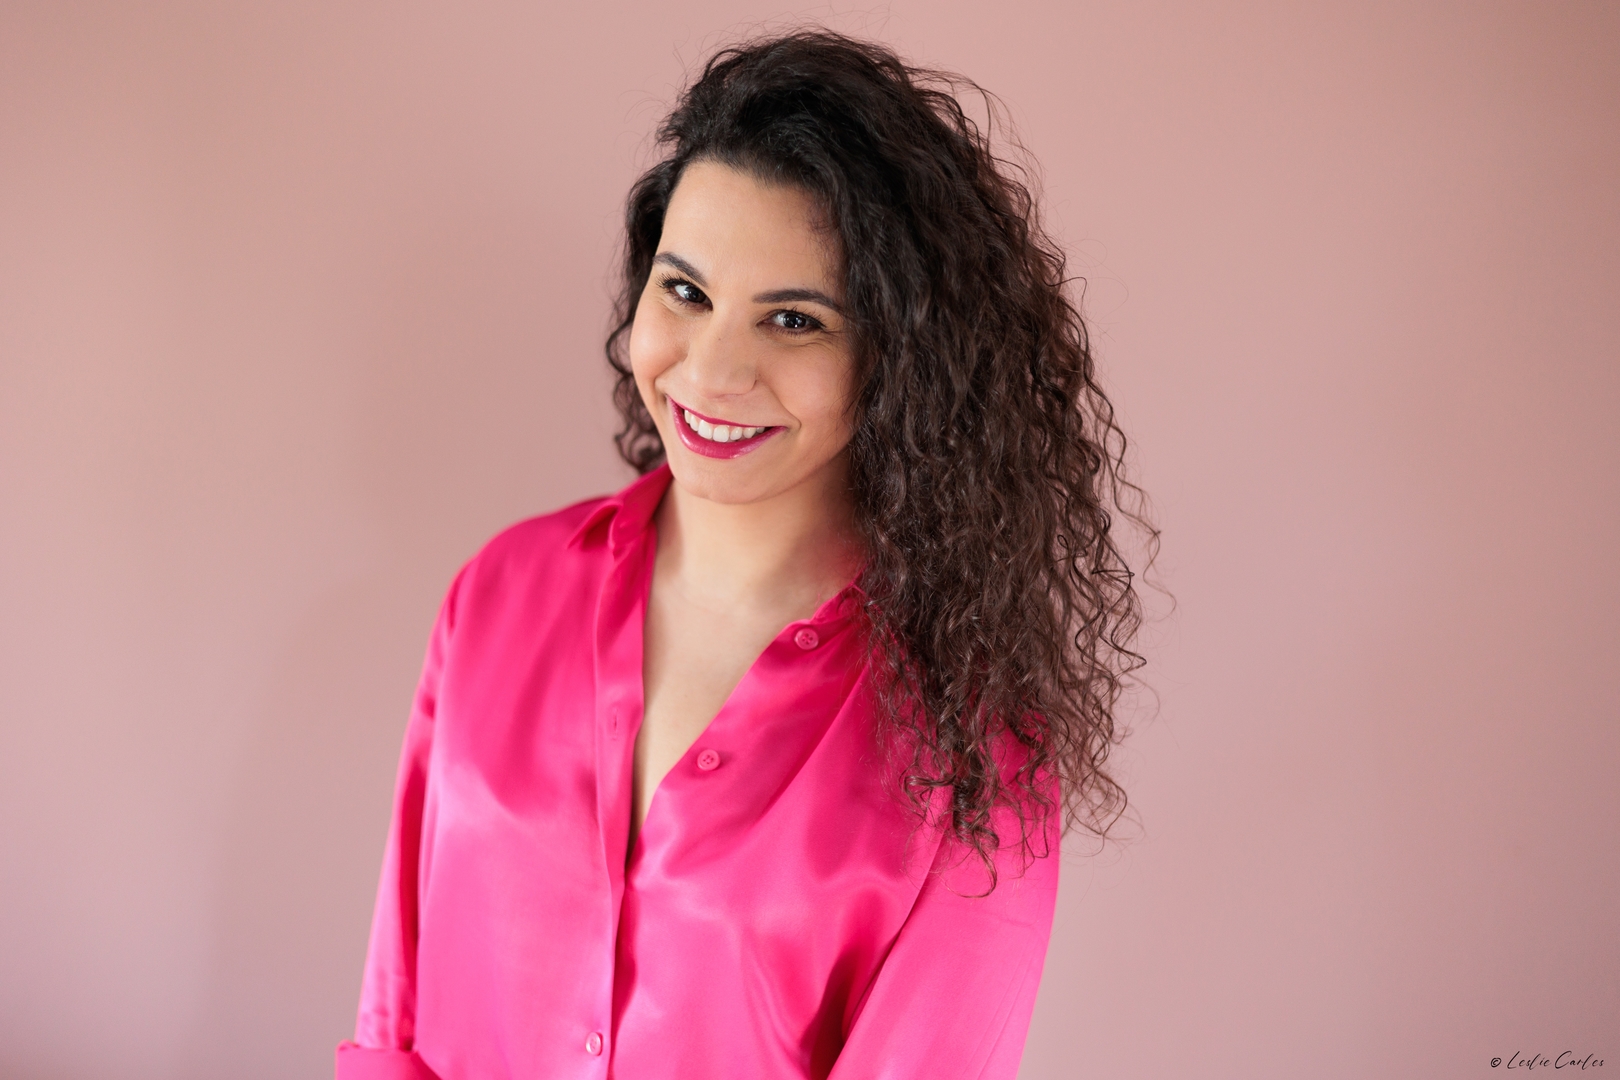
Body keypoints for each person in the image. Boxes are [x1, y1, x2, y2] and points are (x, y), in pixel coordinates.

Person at [335, 29, 1149, 1080]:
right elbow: (394, 1017)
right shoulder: (501, 590)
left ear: (901, 361)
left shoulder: (973, 748)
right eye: (685, 292)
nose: (713, 371)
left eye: (795, 320)